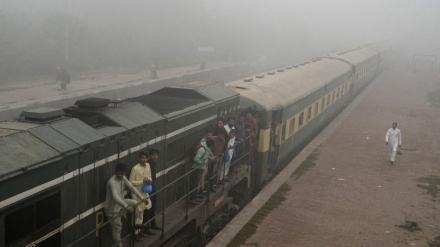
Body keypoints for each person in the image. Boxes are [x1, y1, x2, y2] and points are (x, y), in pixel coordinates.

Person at [104, 163, 149, 246]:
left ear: (124, 173)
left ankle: (133, 225)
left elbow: (131, 187)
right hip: (111, 210)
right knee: (117, 229)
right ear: (115, 172)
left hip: (120, 205)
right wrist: (126, 206)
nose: (120, 175)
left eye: (121, 173)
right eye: (118, 173)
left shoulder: (123, 178)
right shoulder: (112, 182)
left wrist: (141, 198)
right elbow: (115, 197)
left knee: (135, 203)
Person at [129, 151, 154, 239]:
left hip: (145, 193)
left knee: (142, 213)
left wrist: (150, 180)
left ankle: (139, 231)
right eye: (142, 158)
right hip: (136, 194)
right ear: (139, 158)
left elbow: (150, 176)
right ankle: (135, 233)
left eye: (145, 158)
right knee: (137, 214)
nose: (144, 160)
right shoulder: (135, 169)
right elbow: (131, 182)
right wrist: (142, 181)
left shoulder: (148, 166)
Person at [190, 139, 215, 204]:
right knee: (195, 184)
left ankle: (195, 197)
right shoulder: (202, 150)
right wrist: (202, 162)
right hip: (197, 168)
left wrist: (209, 158)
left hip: (201, 168)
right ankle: (192, 198)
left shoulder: (206, 149)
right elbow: (196, 159)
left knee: (197, 183)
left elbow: (205, 156)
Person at [144, 149, 162, 231]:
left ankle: (153, 224)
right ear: (150, 156)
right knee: (148, 207)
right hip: (148, 188)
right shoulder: (148, 165)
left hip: (153, 187)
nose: (155, 157)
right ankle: (148, 227)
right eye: (153, 155)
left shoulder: (154, 164)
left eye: (156, 155)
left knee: (153, 206)